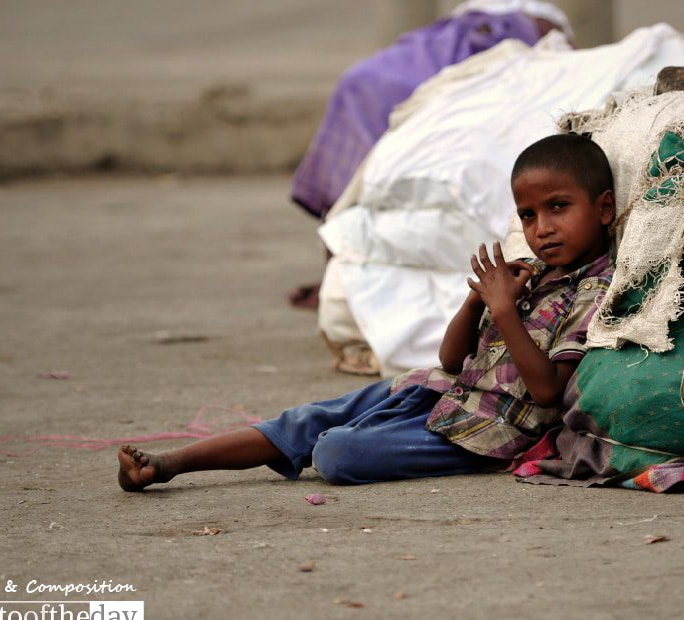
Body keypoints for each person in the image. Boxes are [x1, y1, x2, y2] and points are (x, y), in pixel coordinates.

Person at [117, 134, 615, 490]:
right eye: (528, 215)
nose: (541, 228)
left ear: (605, 209)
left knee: (336, 451)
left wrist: (504, 310)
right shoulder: (530, 273)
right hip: (439, 391)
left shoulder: (596, 290)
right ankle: (169, 464)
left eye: (558, 207)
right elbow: (450, 360)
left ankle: (341, 440)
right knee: (307, 420)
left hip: (483, 432)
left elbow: (548, 391)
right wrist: (476, 301)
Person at [288, 0, 572, 308]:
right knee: (361, 87)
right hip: (452, 34)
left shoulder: (535, 27)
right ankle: (339, 267)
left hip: (508, 36)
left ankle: (340, 269)